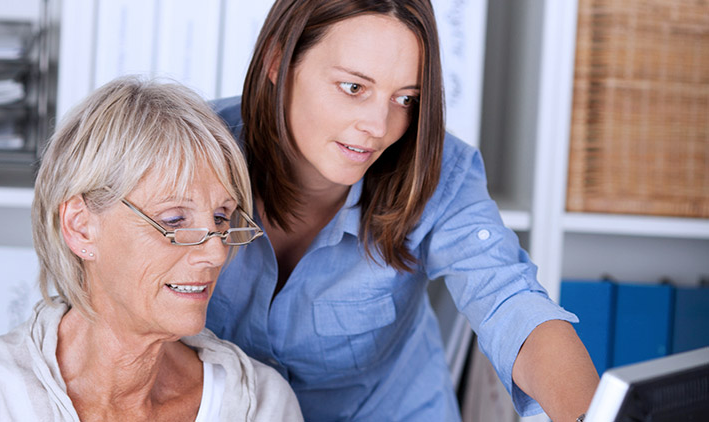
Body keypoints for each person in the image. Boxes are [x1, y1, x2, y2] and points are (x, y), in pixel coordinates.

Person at [206, 0, 600, 421]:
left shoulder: (439, 173)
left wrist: (588, 416)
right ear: (277, 61)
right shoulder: (193, 150)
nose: (379, 126)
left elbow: (509, 300)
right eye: (354, 88)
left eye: (406, 98)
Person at [0, 77, 303, 421]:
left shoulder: (260, 403)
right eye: (173, 220)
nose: (215, 253)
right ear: (81, 227)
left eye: (220, 217)